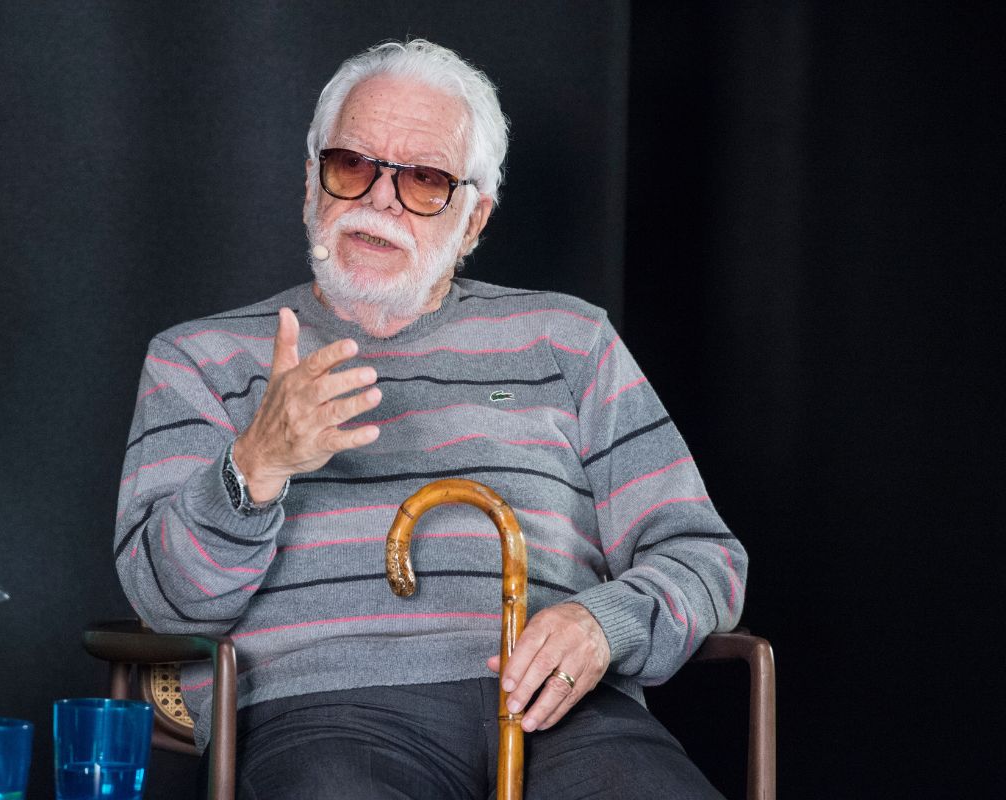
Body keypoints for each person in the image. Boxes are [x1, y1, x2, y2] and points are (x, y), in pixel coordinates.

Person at [115, 39, 747, 799]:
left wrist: (604, 625)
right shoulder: (199, 359)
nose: (380, 200)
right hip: (322, 717)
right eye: (352, 165)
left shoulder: (570, 340)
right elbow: (165, 602)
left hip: (566, 713)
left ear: (474, 219)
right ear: (311, 185)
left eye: (424, 179)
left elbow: (704, 556)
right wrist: (254, 466)